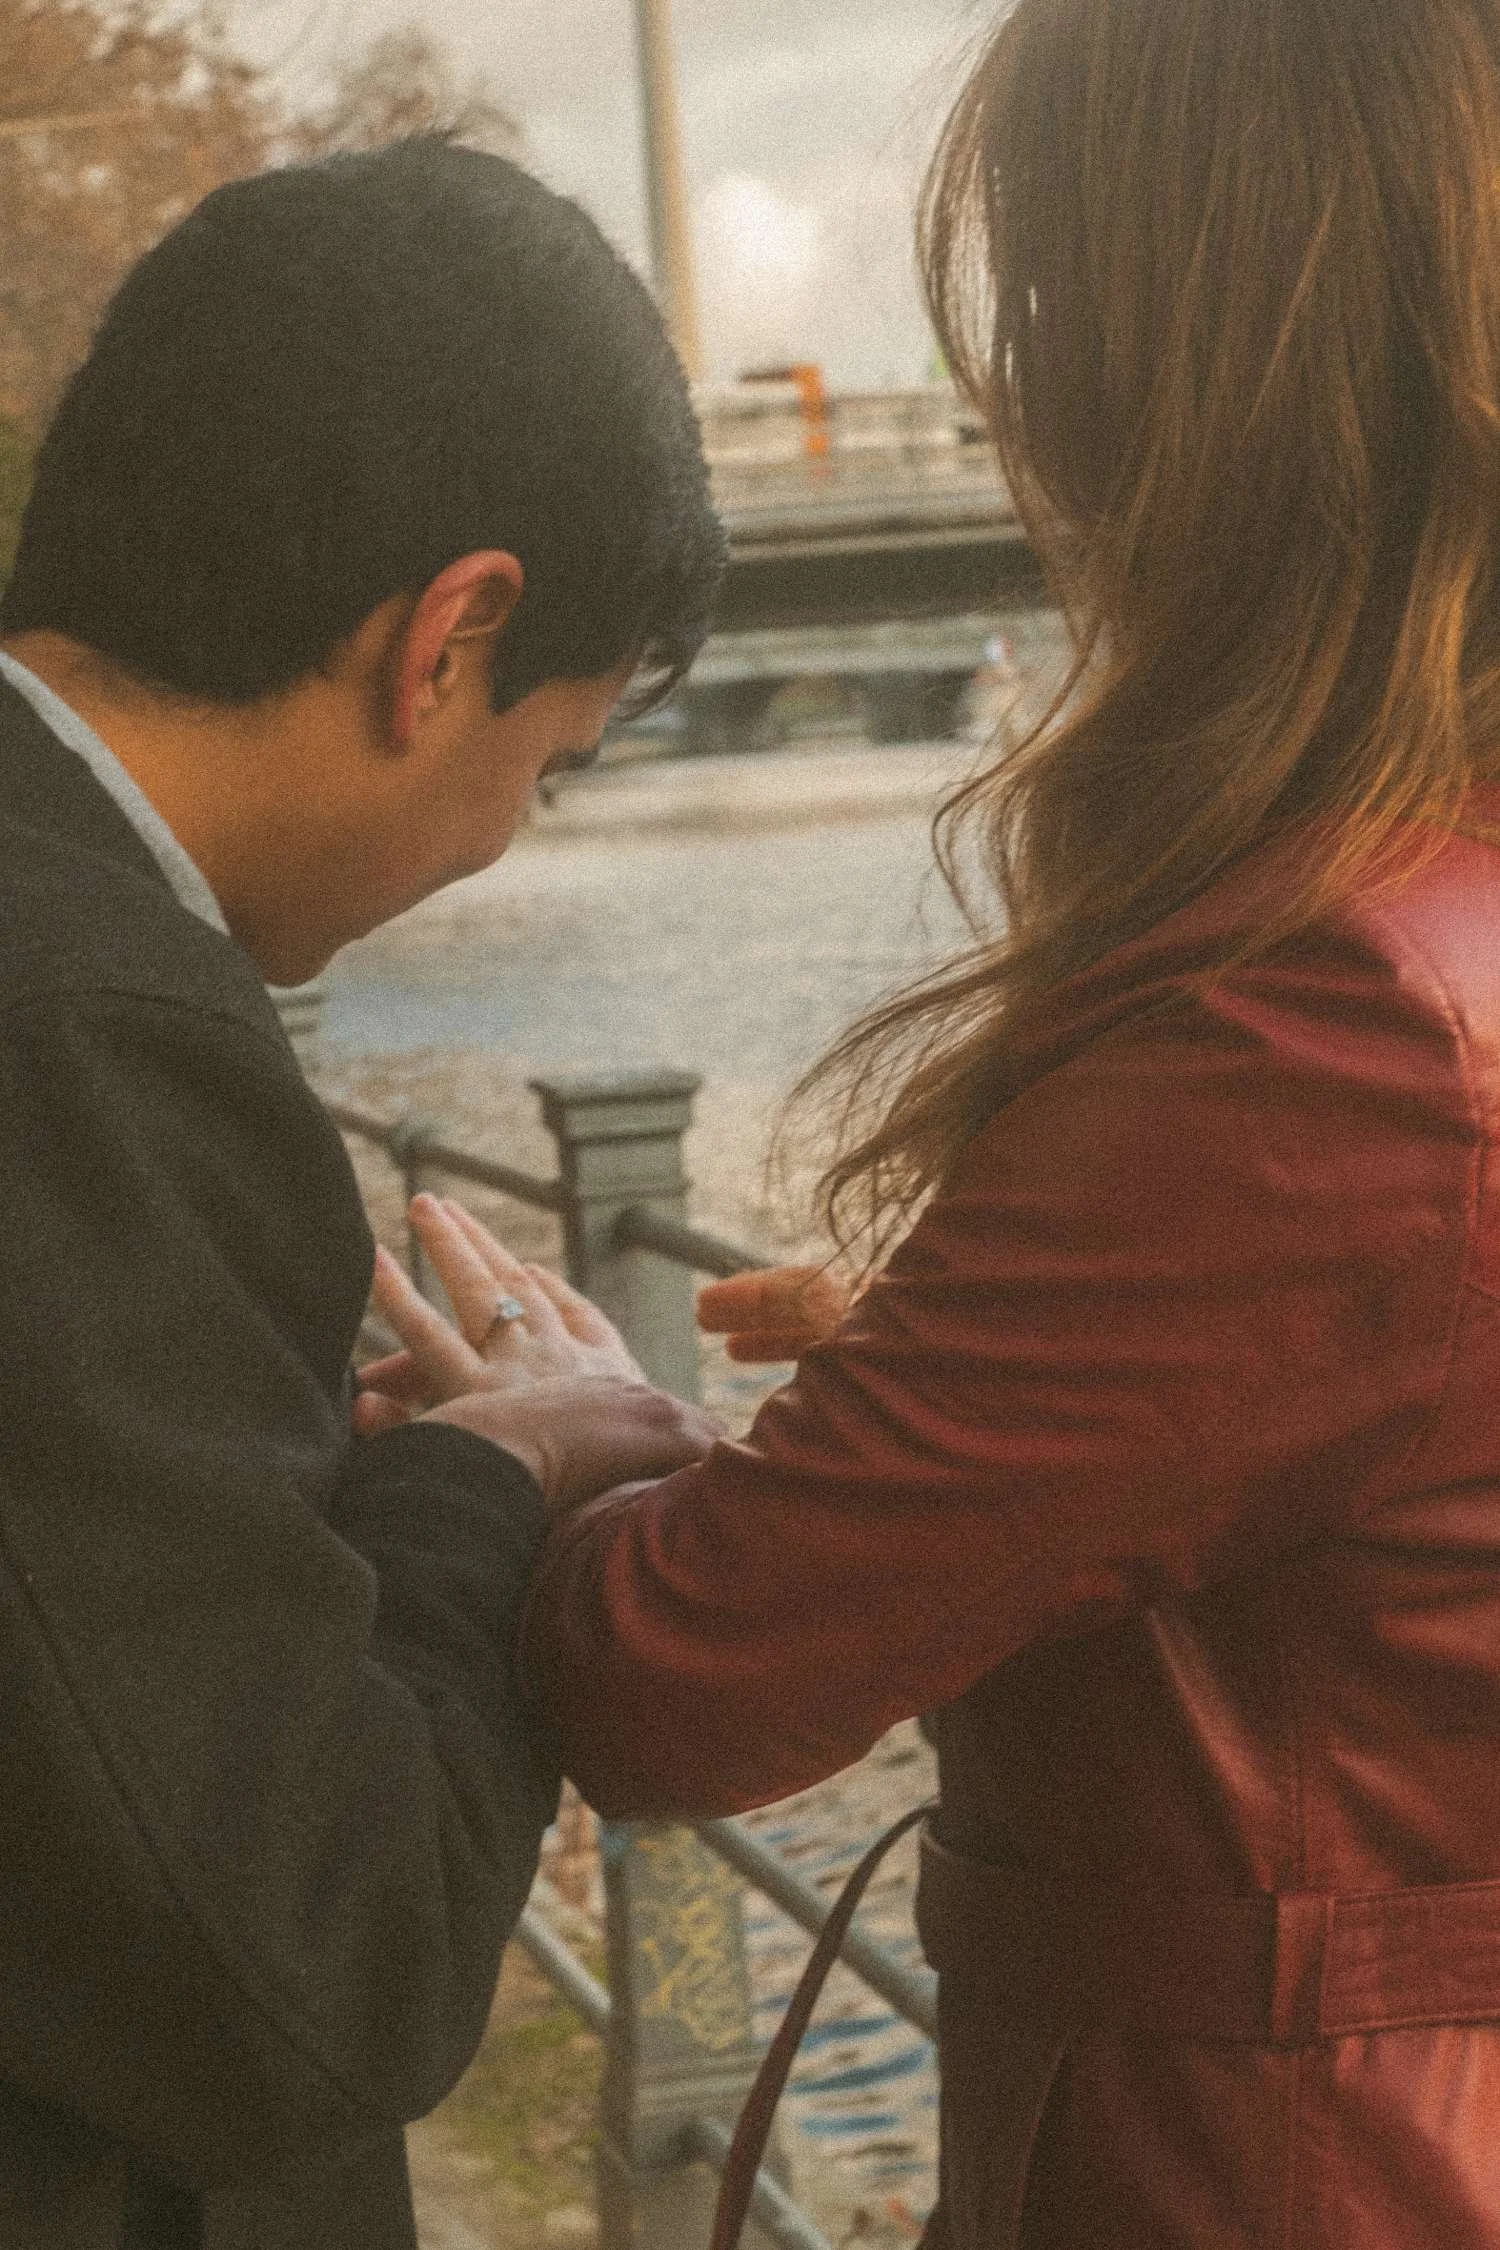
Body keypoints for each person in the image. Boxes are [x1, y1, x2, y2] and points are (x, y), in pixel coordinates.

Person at [363, 2, 1500, 2244]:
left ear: (1181, 377)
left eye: (1056, 299)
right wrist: (989, 1386)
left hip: (1268, 2174)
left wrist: (584, 1420)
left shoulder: (1302, 1022)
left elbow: (683, 1681)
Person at [0, 138, 724, 2250]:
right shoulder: (93, 1032)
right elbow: (308, 1967)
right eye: (553, 760)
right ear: (451, 641)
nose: (512, 831)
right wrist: (497, 1479)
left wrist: (294, 1504)